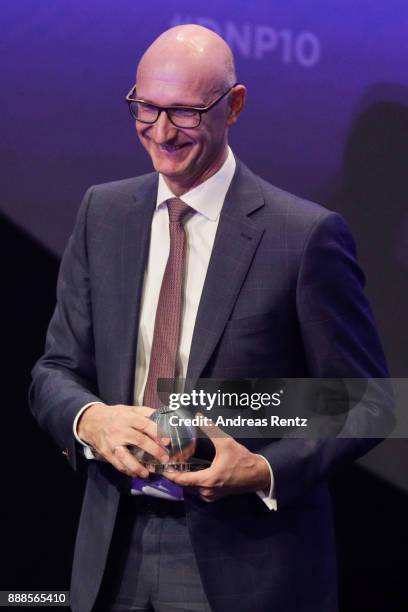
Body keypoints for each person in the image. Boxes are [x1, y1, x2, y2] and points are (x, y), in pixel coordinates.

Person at [30, 24, 391, 612]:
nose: (162, 132)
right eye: (146, 108)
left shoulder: (302, 236)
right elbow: (55, 369)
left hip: (245, 563)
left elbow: (368, 400)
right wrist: (90, 418)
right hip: (111, 548)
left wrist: (261, 468)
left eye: (186, 112)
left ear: (235, 106)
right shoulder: (104, 212)